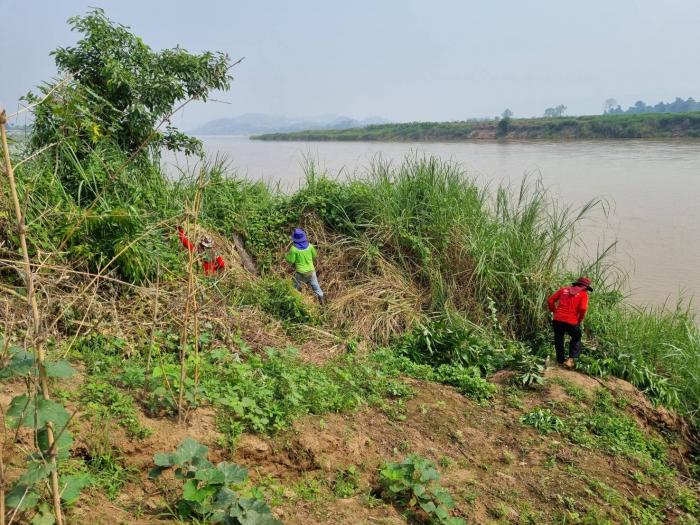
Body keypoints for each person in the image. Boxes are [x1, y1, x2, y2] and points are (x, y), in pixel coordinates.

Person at [547, 276, 592, 369]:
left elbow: (550, 300)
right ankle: (570, 360)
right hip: (571, 321)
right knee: (576, 337)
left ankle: (560, 360)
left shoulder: (563, 290)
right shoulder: (583, 294)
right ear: (585, 287)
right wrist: (579, 320)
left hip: (557, 319)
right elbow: (583, 308)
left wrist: (554, 311)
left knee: (559, 338)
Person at [285, 228, 325, 305]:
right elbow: (315, 255)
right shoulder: (310, 246)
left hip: (301, 272)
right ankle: (322, 301)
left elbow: (291, 261)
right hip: (311, 270)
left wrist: (286, 256)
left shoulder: (294, 249)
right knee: (315, 286)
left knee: (296, 287)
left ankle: (298, 302)